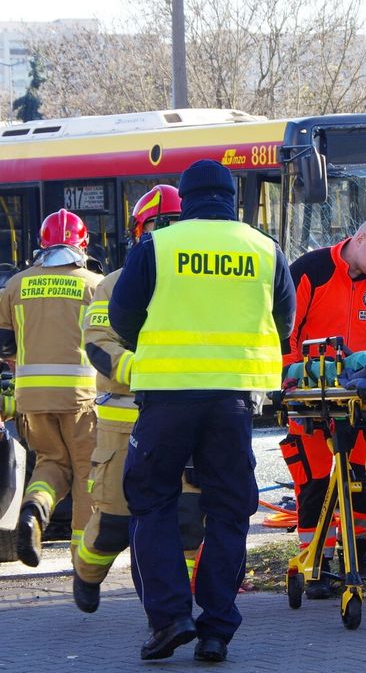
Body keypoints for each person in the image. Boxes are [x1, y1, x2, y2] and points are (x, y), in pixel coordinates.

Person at [111, 159, 294, 662]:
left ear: (185, 200)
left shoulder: (158, 246)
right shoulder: (264, 248)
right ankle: (216, 629)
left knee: (152, 502)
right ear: (233, 198)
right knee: (230, 510)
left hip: (167, 396)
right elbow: (284, 323)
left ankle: (170, 618)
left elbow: (122, 318)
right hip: (234, 400)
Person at [72, 184, 205, 614]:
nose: (166, 231)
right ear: (138, 233)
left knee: (187, 520)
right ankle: (87, 572)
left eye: (174, 224)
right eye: (157, 224)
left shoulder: (199, 284)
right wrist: (145, 375)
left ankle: (174, 605)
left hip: (183, 419)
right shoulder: (111, 285)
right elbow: (98, 343)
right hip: (124, 422)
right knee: (114, 524)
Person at [279, 216, 366, 597]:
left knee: (364, 480)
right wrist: (289, 378)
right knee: (313, 482)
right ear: (358, 238)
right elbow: (284, 330)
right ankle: (316, 561)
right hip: (310, 395)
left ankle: (356, 556)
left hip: (361, 398)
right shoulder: (310, 270)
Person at [0, 208, 101, 569]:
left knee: (51, 464)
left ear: (41, 244)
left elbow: (2, 343)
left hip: (32, 400)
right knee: (87, 473)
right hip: (81, 399)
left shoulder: (17, 284)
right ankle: (82, 562)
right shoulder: (94, 285)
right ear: (82, 244)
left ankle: (35, 509)